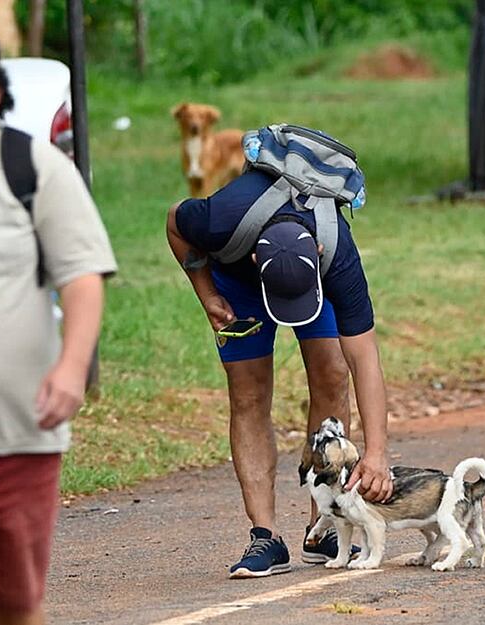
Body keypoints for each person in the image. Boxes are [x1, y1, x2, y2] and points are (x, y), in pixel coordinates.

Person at [0, 19, 117, 624]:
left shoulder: (32, 167)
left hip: (16, 432)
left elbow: (82, 274)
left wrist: (70, 368)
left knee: (11, 605)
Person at [166, 157, 393, 578]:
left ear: (319, 252)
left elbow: (366, 360)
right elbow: (175, 222)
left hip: (315, 285)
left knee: (332, 374)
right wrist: (207, 292)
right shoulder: (221, 219)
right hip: (238, 285)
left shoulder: (337, 253)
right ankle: (264, 536)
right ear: (256, 258)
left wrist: (377, 454)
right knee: (248, 394)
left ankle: (322, 527)